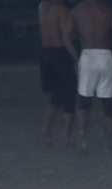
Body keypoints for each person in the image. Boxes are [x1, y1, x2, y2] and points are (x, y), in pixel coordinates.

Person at [63, 0, 112, 150]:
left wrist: (77, 58)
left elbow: (66, 38)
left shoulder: (76, 10)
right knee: (108, 103)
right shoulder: (108, 9)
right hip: (105, 55)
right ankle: (108, 143)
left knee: (84, 100)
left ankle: (82, 131)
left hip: (87, 56)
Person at [39, 0, 77, 148]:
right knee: (69, 96)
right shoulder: (62, 9)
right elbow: (66, 36)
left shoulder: (42, 5)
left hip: (45, 54)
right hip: (60, 54)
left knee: (56, 95)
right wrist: (81, 32)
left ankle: (47, 126)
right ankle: (65, 138)